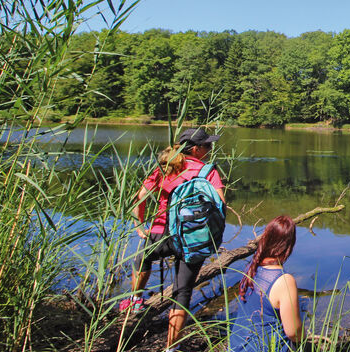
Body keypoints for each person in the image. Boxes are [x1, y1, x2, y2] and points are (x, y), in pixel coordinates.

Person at [122, 127, 226, 352]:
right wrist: (211, 235)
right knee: (183, 291)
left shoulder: (166, 166)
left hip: (162, 233)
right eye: (208, 145)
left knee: (141, 259)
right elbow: (221, 205)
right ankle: (170, 347)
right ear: (196, 149)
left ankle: (136, 301)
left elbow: (139, 197)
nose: (210, 149)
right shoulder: (209, 171)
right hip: (192, 237)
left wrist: (140, 225)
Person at [229, 215, 303, 352]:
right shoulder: (284, 281)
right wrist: (304, 336)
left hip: (236, 346)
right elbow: (293, 333)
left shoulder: (252, 267)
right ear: (289, 245)